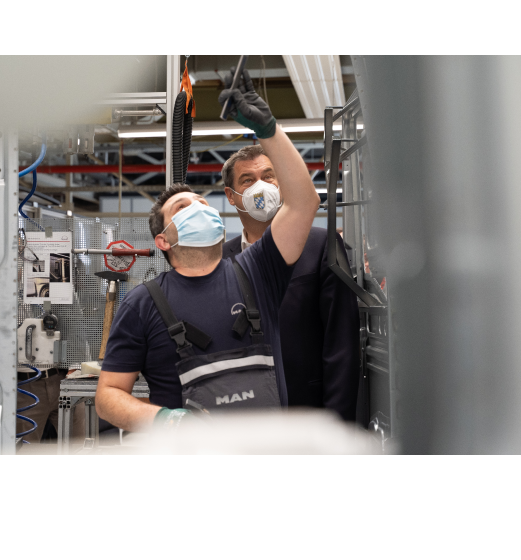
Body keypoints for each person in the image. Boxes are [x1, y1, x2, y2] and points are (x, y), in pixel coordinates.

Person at [95, 69, 321, 431]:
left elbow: (304, 202)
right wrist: (163, 420)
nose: (199, 208)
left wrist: (269, 131)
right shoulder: (142, 303)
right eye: (183, 208)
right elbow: (108, 396)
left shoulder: (259, 270)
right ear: (163, 241)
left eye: (202, 202)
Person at [221, 145, 360, 422]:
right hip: (241, 417)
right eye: (247, 180)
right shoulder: (221, 259)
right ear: (232, 196)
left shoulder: (322, 244)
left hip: (307, 413)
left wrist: (336, 425)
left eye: (269, 176)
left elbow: (341, 342)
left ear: (281, 185)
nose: (260, 186)